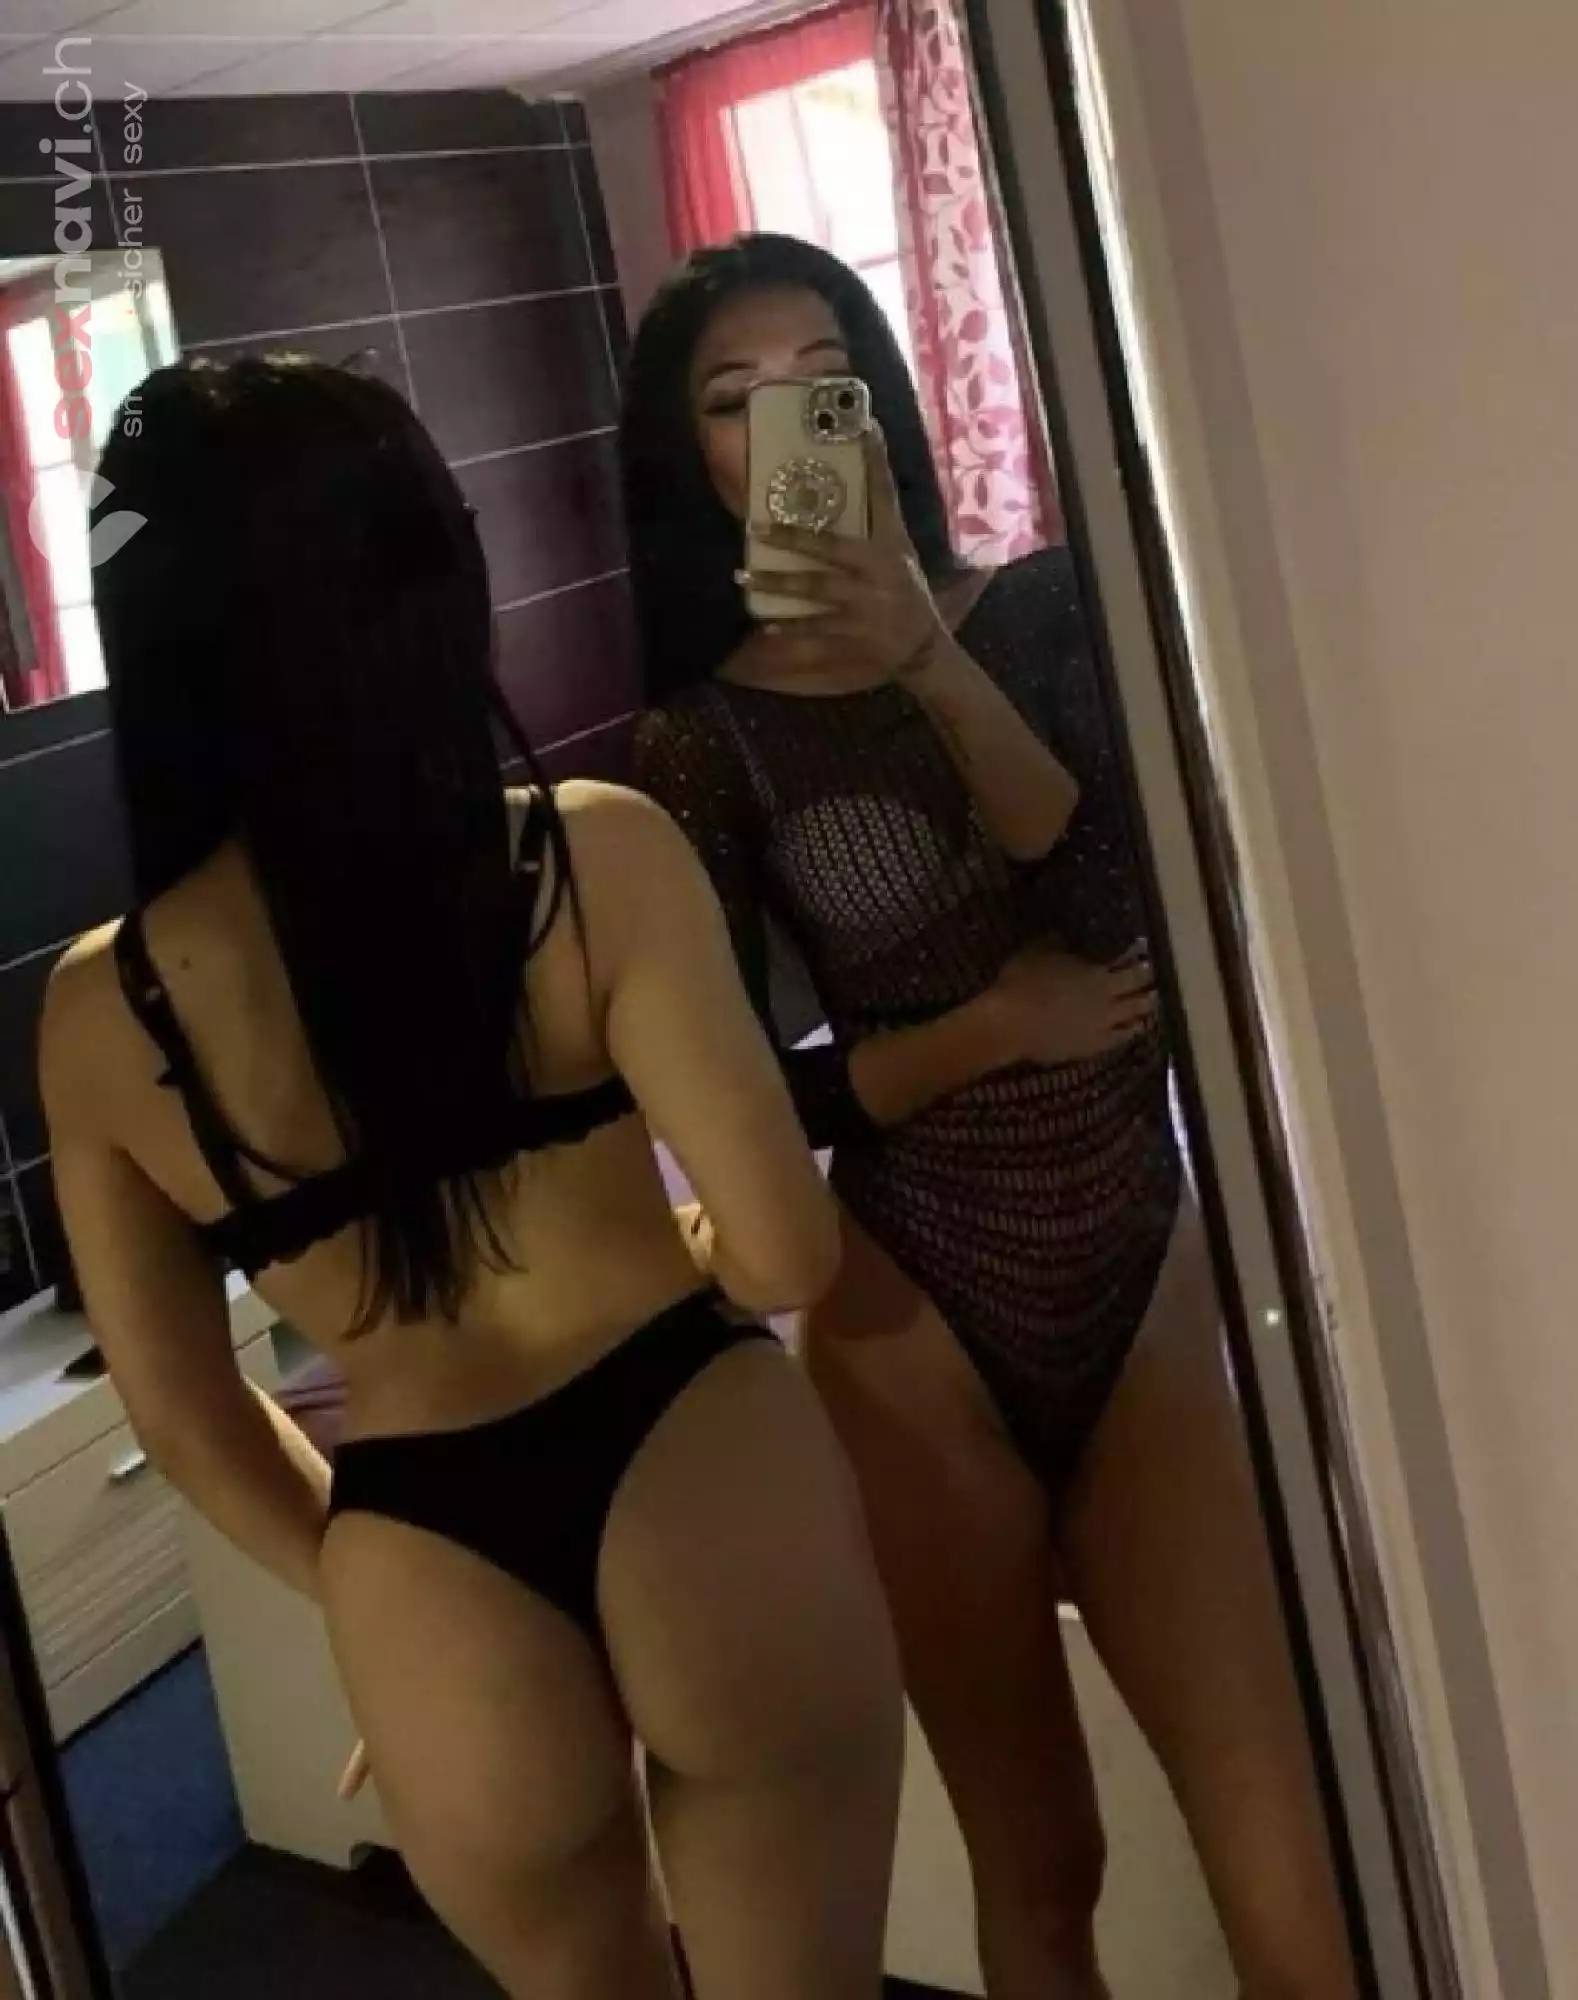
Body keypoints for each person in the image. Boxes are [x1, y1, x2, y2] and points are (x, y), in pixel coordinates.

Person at [39, 354, 903, 2000]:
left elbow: (189, 1420)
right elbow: (789, 1253)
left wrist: (378, 1591)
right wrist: (695, 1238)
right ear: (430, 572)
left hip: (424, 1556)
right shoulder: (592, 849)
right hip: (695, 1459)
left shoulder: (102, 1013)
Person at [623, 235, 1358, 2000]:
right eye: (734, 399)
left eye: (823, 378)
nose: (785, 420)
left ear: (877, 407)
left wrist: (920, 654)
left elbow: (1122, 905)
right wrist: (984, 1030)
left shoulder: (1036, 613)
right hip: (907, 1321)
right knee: (1039, 1868)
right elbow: (747, 1094)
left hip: (1140, 1265)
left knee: (1285, 1842)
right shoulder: (701, 746)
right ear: (693, 460)